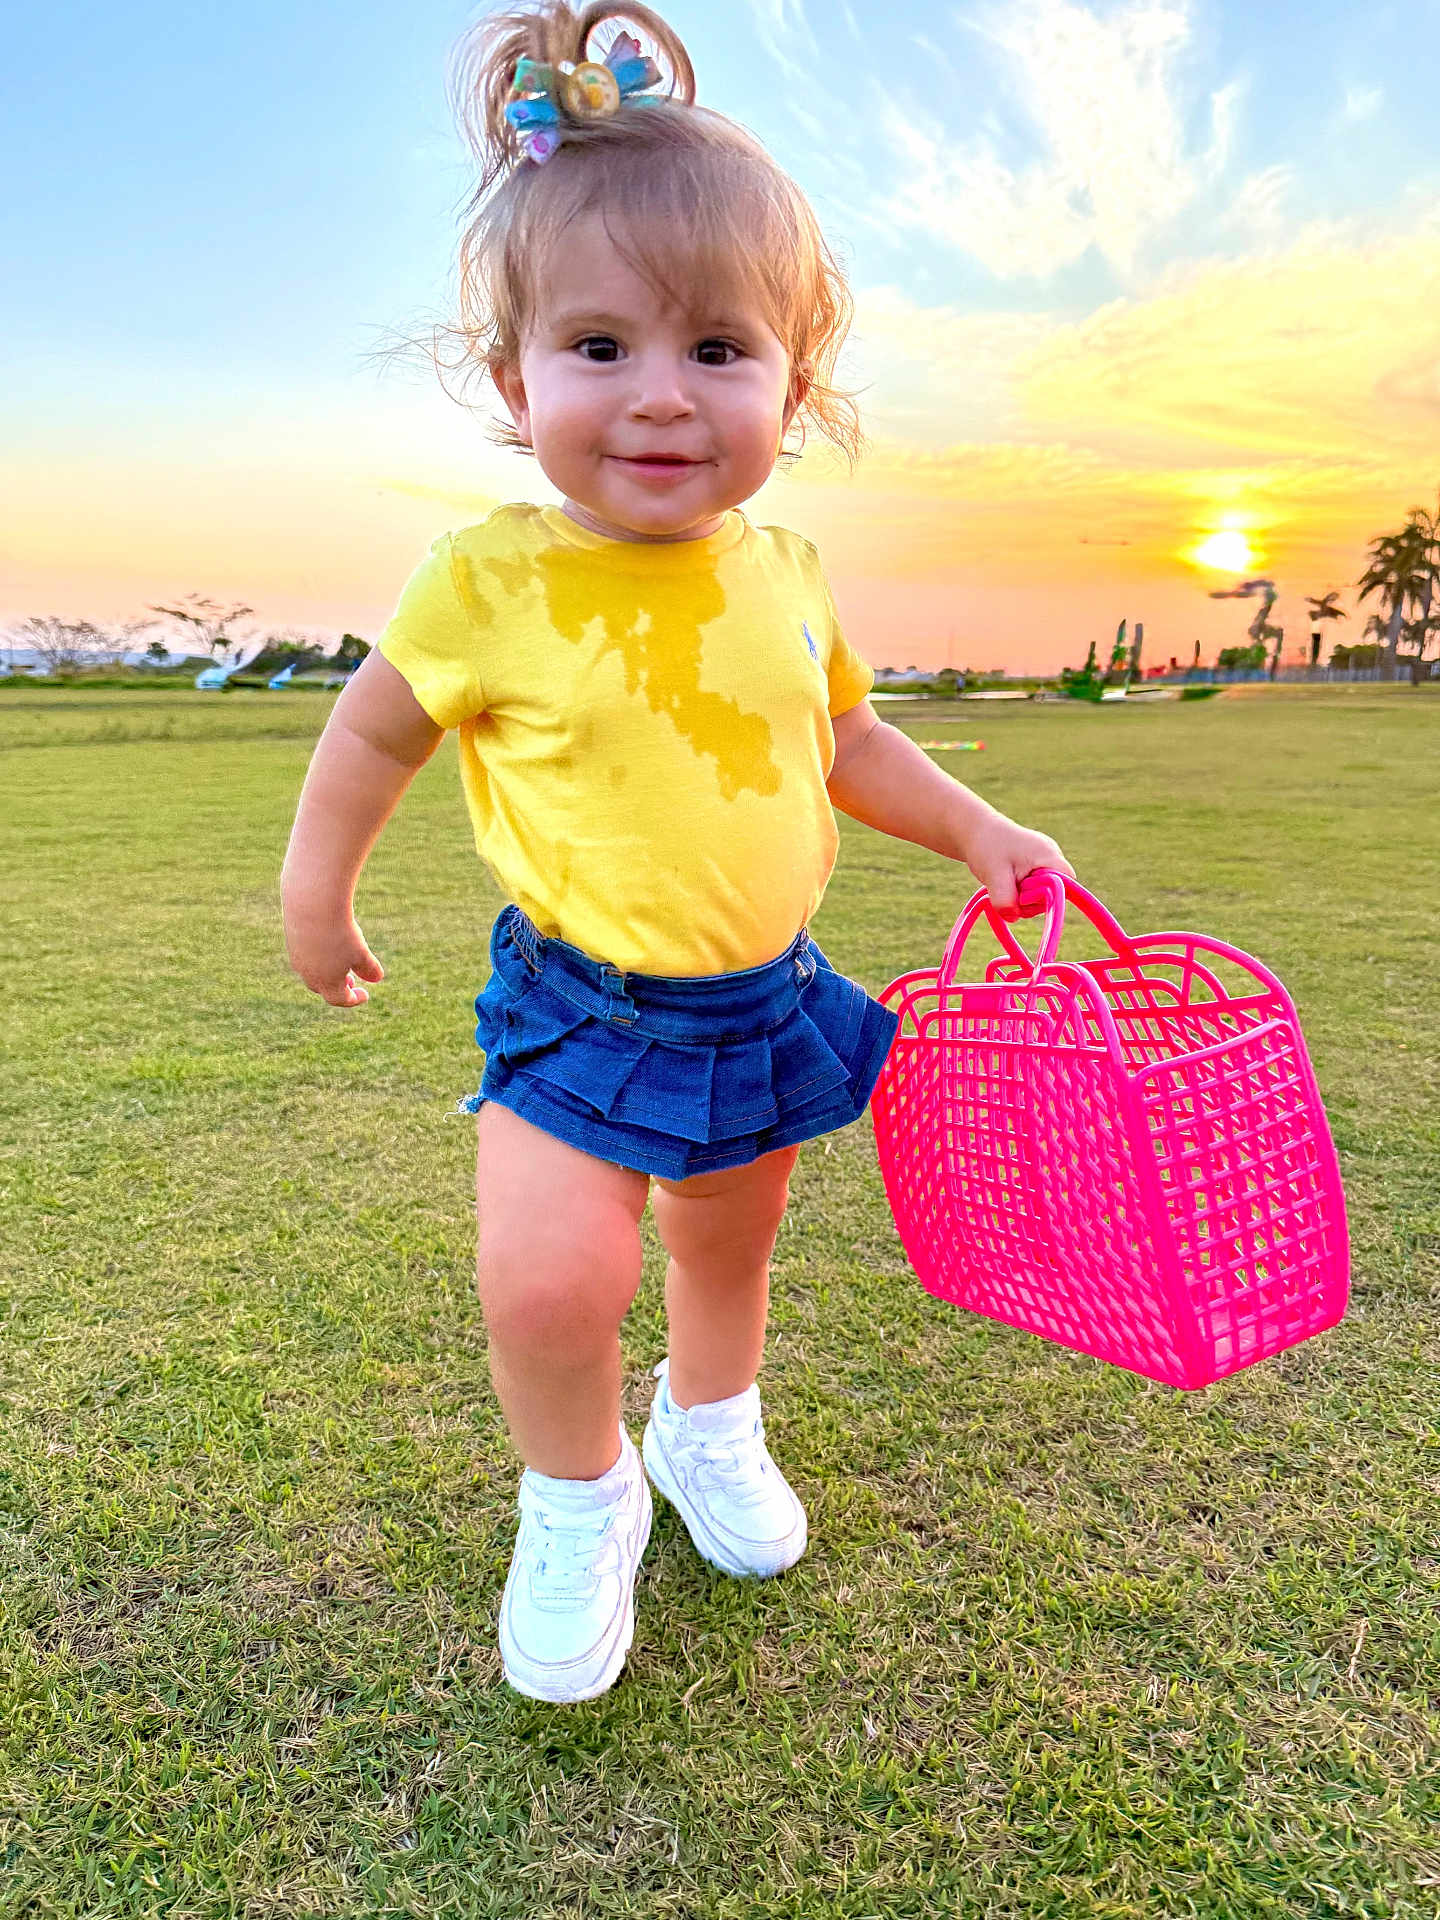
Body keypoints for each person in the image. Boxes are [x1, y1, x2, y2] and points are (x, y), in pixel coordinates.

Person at [281, 0, 1073, 1704]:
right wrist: (316, 888)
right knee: (550, 1274)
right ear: (515, 380)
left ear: (797, 378)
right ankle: (579, 1495)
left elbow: (846, 740)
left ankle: (710, 1427)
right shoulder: (488, 578)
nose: (661, 397)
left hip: (761, 1000)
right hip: (583, 1009)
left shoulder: (783, 574)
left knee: (730, 1246)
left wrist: (981, 828)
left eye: (720, 351)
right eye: (599, 348)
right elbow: (369, 733)